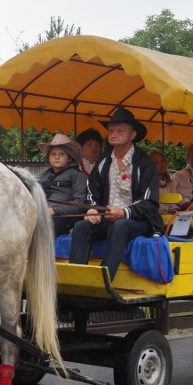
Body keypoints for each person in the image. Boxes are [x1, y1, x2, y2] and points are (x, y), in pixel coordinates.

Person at [68, 107, 163, 280]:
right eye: (111, 130)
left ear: (132, 135)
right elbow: (92, 192)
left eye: (120, 131)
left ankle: (103, 282)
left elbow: (150, 202)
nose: (113, 134)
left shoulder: (145, 163)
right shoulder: (104, 162)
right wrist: (93, 210)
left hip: (139, 223)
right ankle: (77, 280)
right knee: (81, 227)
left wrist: (124, 213)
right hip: (108, 219)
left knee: (121, 225)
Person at [36, 134, 88, 236]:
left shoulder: (78, 176)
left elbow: (79, 205)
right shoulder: (42, 176)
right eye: (53, 154)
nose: (56, 157)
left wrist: (54, 210)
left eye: (62, 154)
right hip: (40, 214)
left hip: (63, 219)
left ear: (69, 158)